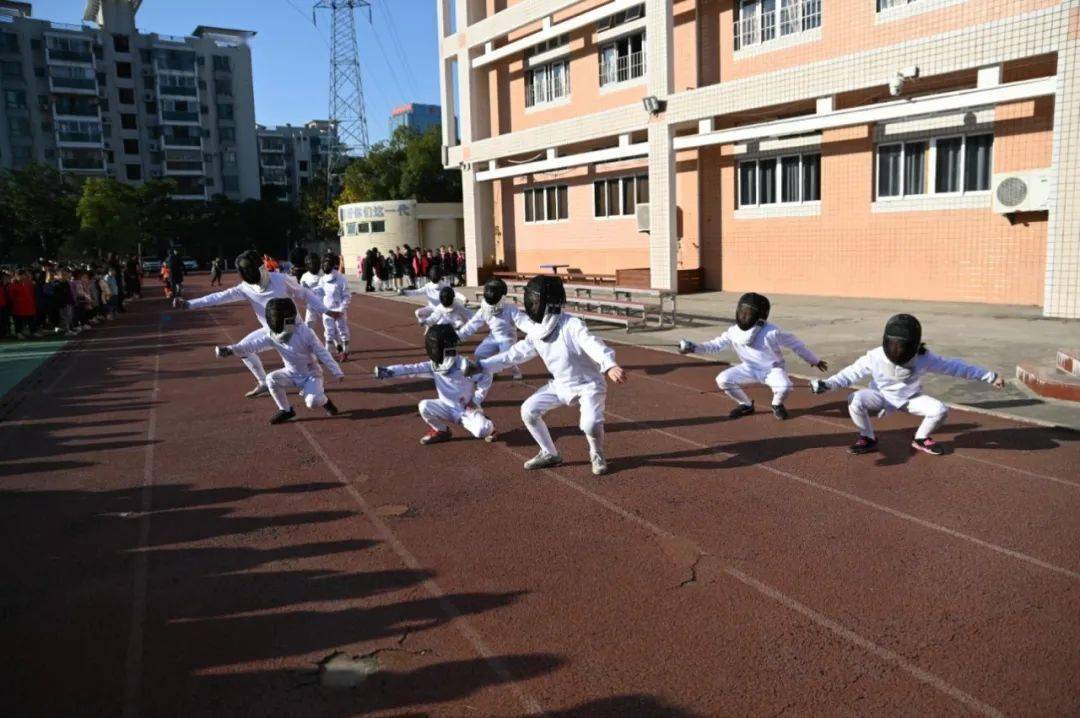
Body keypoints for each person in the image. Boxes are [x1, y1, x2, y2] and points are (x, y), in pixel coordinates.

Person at [476, 275, 627, 476]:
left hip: (588, 385)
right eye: (531, 300)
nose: (531, 304)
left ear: (549, 301)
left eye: (535, 300)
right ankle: (549, 453)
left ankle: (596, 453)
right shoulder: (537, 332)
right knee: (528, 410)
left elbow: (592, 343)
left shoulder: (571, 324)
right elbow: (514, 354)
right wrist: (483, 365)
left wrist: (609, 365)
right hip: (561, 385)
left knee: (590, 424)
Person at [810, 314, 1005, 456]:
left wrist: (989, 376)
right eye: (893, 345)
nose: (897, 350)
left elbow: (955, 367)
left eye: (901, 346)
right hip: (881, 396)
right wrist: (828, 384)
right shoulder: (875, 356)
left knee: (940, 410)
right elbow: (850, 373)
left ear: (913, 344)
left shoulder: (924, 358)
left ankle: (921, 439)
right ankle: (868, 437)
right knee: (855, 399)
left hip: (910, 399)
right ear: (887, 341)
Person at [175, 250, 330, 398]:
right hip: (269, 331)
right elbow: (218, 297)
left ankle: (313, 385)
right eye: (246, 272)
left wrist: (325, 310)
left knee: (301, 360)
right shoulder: (246, 288)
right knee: (242, 349)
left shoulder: (281, 279)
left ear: (260, 267)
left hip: (293, 328)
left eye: (250, 270)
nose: (249, 274)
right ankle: (264, 382)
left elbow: (305, 293)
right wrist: (189, 304)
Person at [677, 293, 827, 420]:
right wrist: (693, 347)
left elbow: (796, 345)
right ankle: (746, 405)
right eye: (742, 311)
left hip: (772, 370)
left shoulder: (771, 331)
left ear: (759, 315)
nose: (744, 315)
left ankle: (777, 404)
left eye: (749, 313)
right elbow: (714, 346)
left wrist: (814, 360)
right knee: (723, 379)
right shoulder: (733, 331)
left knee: (785, 387)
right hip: (749, 368)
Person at [215, 298, 342, 425]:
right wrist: (230, 349)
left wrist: (336, 371)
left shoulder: (306, 333)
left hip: (311, 374)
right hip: (291, 373)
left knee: (313, 402)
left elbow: (323, 353)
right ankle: (286, 410)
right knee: (271, 379)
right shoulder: (273, 335)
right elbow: (252, 346)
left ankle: (326, 402)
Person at [375, 324, 496, 444]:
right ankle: (442, 431)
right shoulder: (434, 366)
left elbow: (486, 377)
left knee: (482, 431)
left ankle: (489, 425)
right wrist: (389, 371)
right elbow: (411, 369)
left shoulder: (465, 366)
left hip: (466, 410)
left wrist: (475, 400)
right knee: (424, 406)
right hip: (446, 407)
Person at [456, 277, 527, 381]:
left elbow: (522, 321)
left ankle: (516, 372)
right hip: (493, 337)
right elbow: (472, 324)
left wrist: (533, 330)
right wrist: (459, 335)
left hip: (508, 338)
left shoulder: (510, 308)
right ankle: (490, 372)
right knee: (479, 353)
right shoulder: (484, 309)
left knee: (506, 358)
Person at [401, 265, 466, 325]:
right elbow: (416, 292)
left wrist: (463, 298)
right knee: (418, 312)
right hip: (432, 308)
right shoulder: (428, 286)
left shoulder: (444, 285)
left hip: (442, 309)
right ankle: (428, 324)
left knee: (445, 321)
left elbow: (454, 293)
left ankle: (456, 322)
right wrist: (404, 292)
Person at [318, 252, 352, 361]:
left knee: (342, 330)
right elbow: (319, 295)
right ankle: (327, 355)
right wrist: (322, 309)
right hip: (327, 311)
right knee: (329, 332)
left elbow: (347, 296)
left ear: (332, 264)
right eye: (324, 263)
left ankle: (345, 351)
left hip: (339, 311)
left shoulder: (341, 279)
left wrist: (341, 310)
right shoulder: (322, 279)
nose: (325, 266)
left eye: (327, 263)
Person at [9, 270, 38, 339]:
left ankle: (33, 332)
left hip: (29, 306)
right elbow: (11, 297)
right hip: (18, 307)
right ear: (16, 276)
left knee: (31, 319)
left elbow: (32, 294)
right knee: (18, 321)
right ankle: (19, 333)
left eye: (23, 275)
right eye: (20, 275)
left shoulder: (29, 284)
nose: (22, 277)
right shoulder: (13, 285)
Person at [299, 254, 323, 330]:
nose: (314, 266)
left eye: (315, 264)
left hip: (325, 303)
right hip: (312, 304)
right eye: (311, 264)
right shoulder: (305, 277)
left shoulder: (324, 273)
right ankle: (308, 339)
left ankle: (336, 341)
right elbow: (302, 292)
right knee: (308, 324)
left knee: (331, 324)